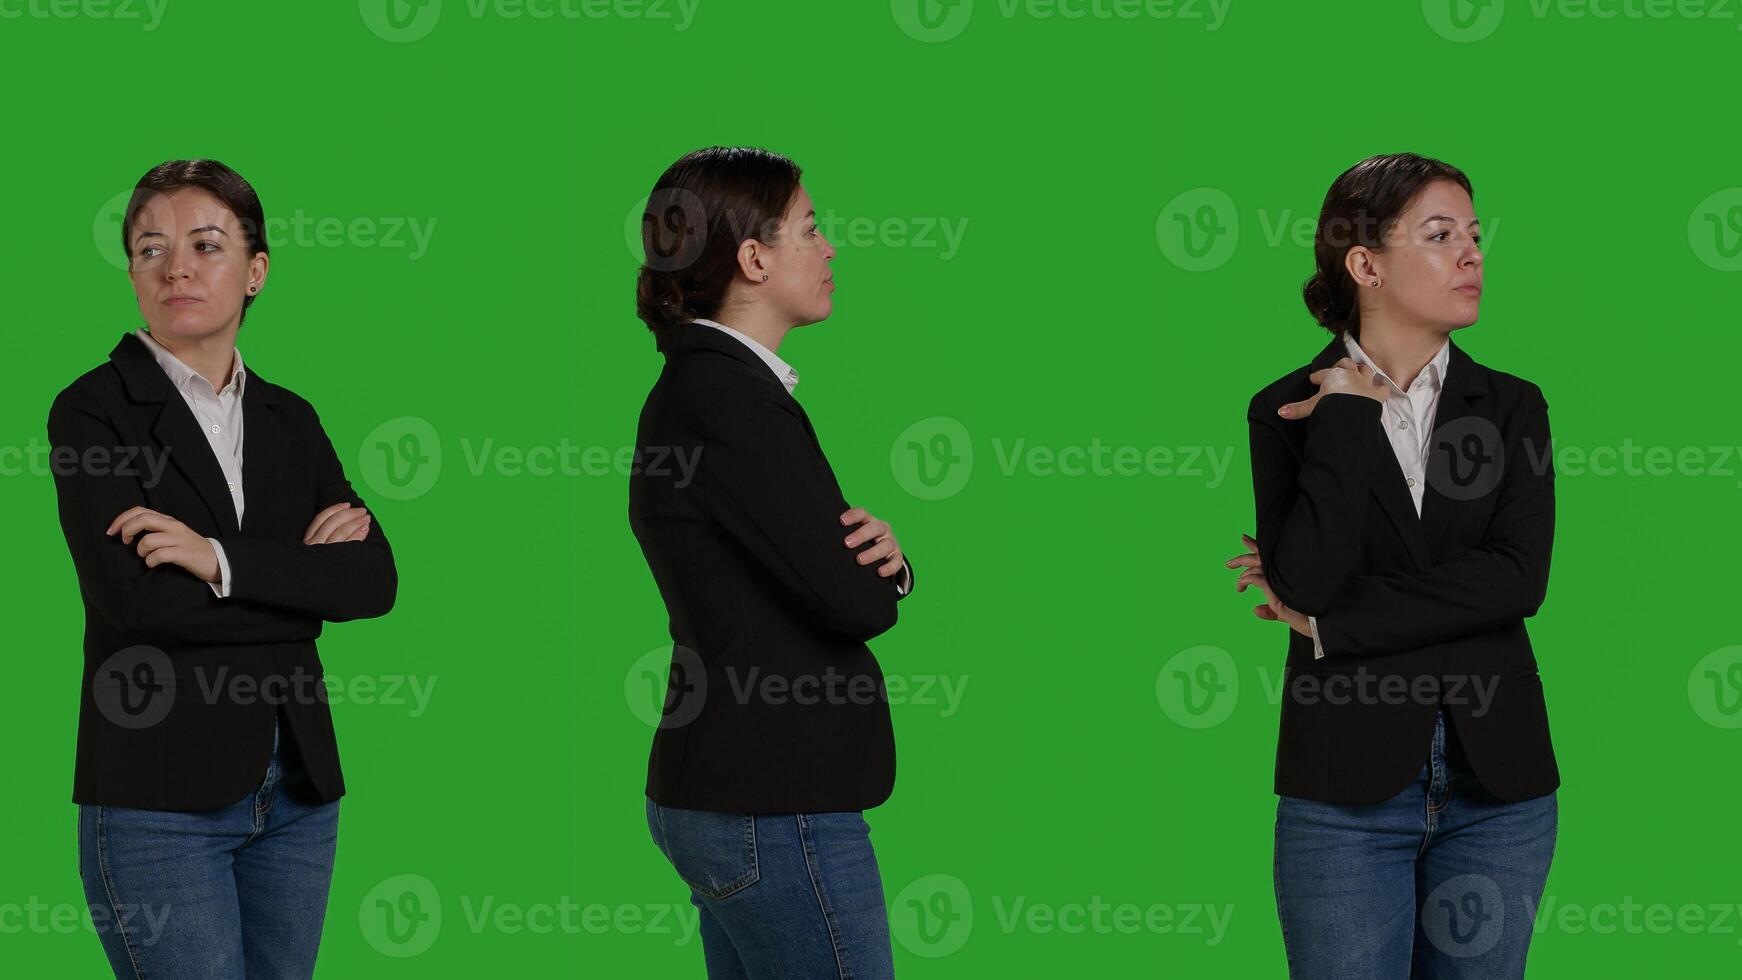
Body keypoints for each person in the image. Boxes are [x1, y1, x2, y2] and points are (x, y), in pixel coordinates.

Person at [48, 159, 397, 979]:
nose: (176, 268)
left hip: (299, 790)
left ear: (256, 271)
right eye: (149, 249)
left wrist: (215, 561)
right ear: (131, 270)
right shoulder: (93, 408)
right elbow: (140, 603)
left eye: (206, 245)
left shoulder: (291, 417)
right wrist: (301, 580)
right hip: (158, 795)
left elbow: (373, 581)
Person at [1230, 152, 1558, 979]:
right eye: (1441, 235)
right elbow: (1305, 579)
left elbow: (1517, 579)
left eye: (1475, 236)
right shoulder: (1287, 410)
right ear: (1366, 264)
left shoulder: (1514, 404)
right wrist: (1345, 413)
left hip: (1500, 791)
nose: (1472, 255)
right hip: (1342, 795)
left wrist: (1335, 626)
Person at [629, 146, 915, 979]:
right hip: (773, 801)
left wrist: (883, 563)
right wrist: (884, 576)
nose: (829, 248)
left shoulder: (706, 390)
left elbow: (829, 571)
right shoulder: (729, 401)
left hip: (732, 792)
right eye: (811, 228)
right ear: (753, 258)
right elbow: (854, 600)